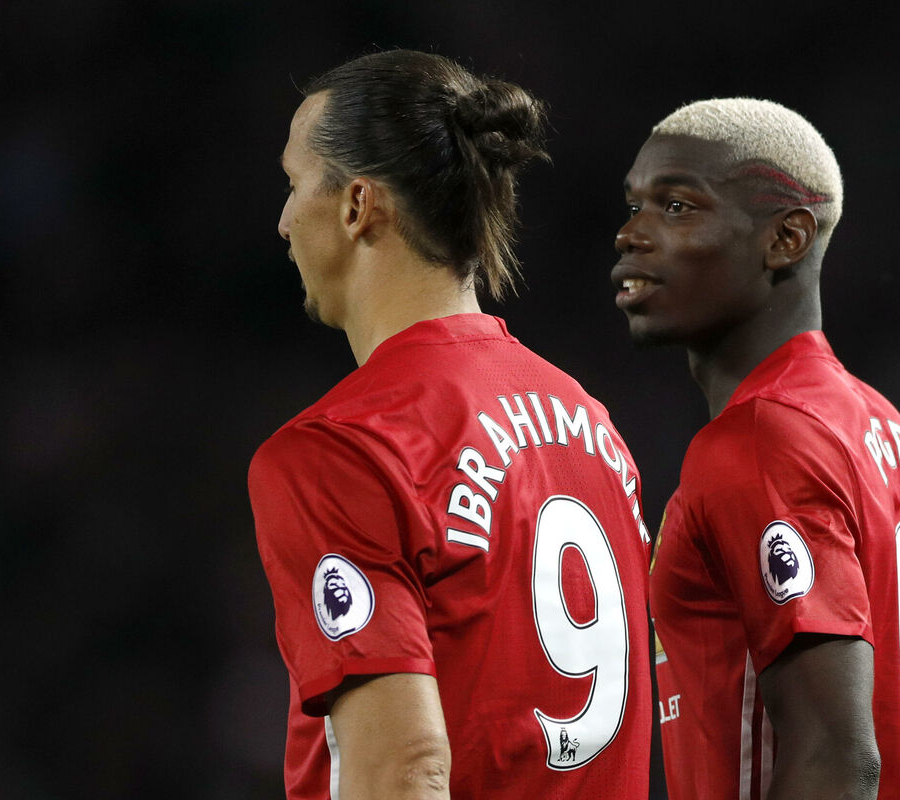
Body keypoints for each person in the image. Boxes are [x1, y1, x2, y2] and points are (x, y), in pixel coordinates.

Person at [249, 50, 652, 800]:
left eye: (293, 183)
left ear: (356, 205)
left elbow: (404, 769)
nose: (282, 221)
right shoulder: (590, 424)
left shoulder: (341, 449)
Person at [612, 98, 900, 798]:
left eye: (678, 206)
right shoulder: (893, 438)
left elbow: (835, 759)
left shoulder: (759, 439)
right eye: (634, 206)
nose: (631, 233)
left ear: (785, 239)